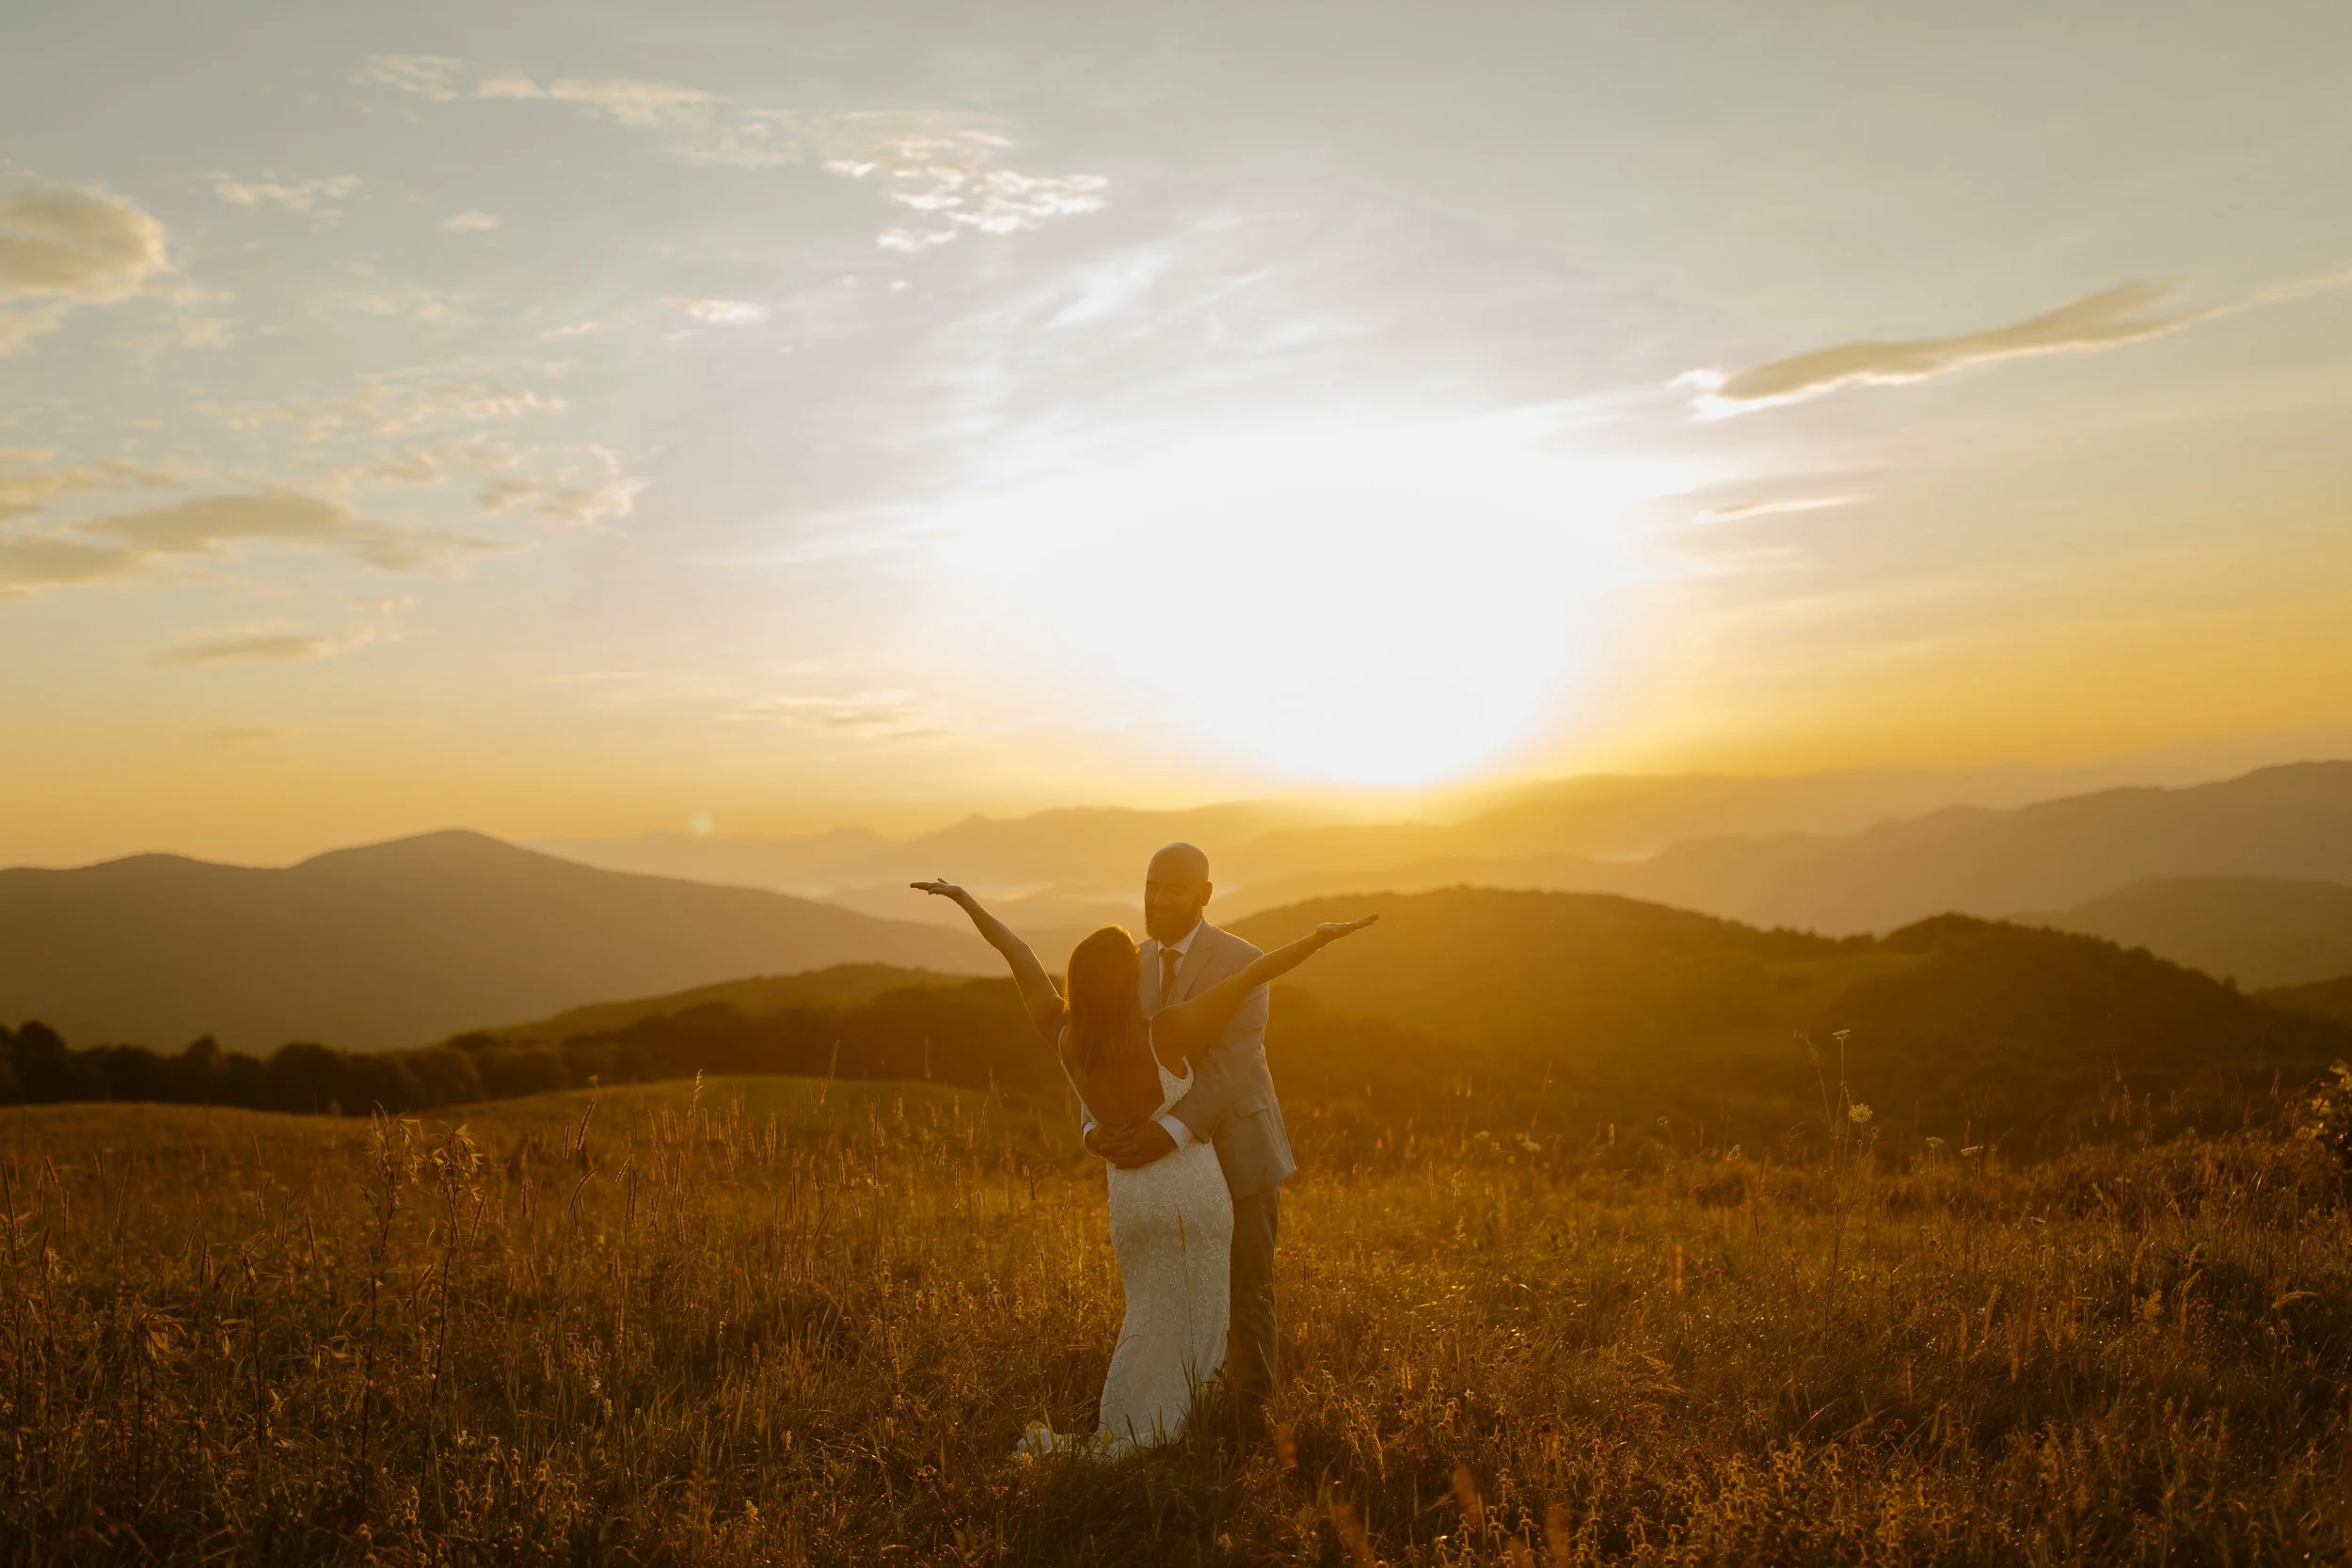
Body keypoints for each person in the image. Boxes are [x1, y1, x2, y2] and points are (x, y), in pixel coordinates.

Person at [913, 869, 1372, 1454]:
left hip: (1131, 1199)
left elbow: (1017, 952)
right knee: (1204, 1318)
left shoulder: (1062, 1032)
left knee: (1148, 1317)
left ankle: (1136, 1423)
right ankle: (1182, 1428)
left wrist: (966, 900)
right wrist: (1318, 938)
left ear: (1078, 981)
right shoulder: (1166, 1032)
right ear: (1129, 982)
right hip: (1193, 1192)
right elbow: (1253, 974)